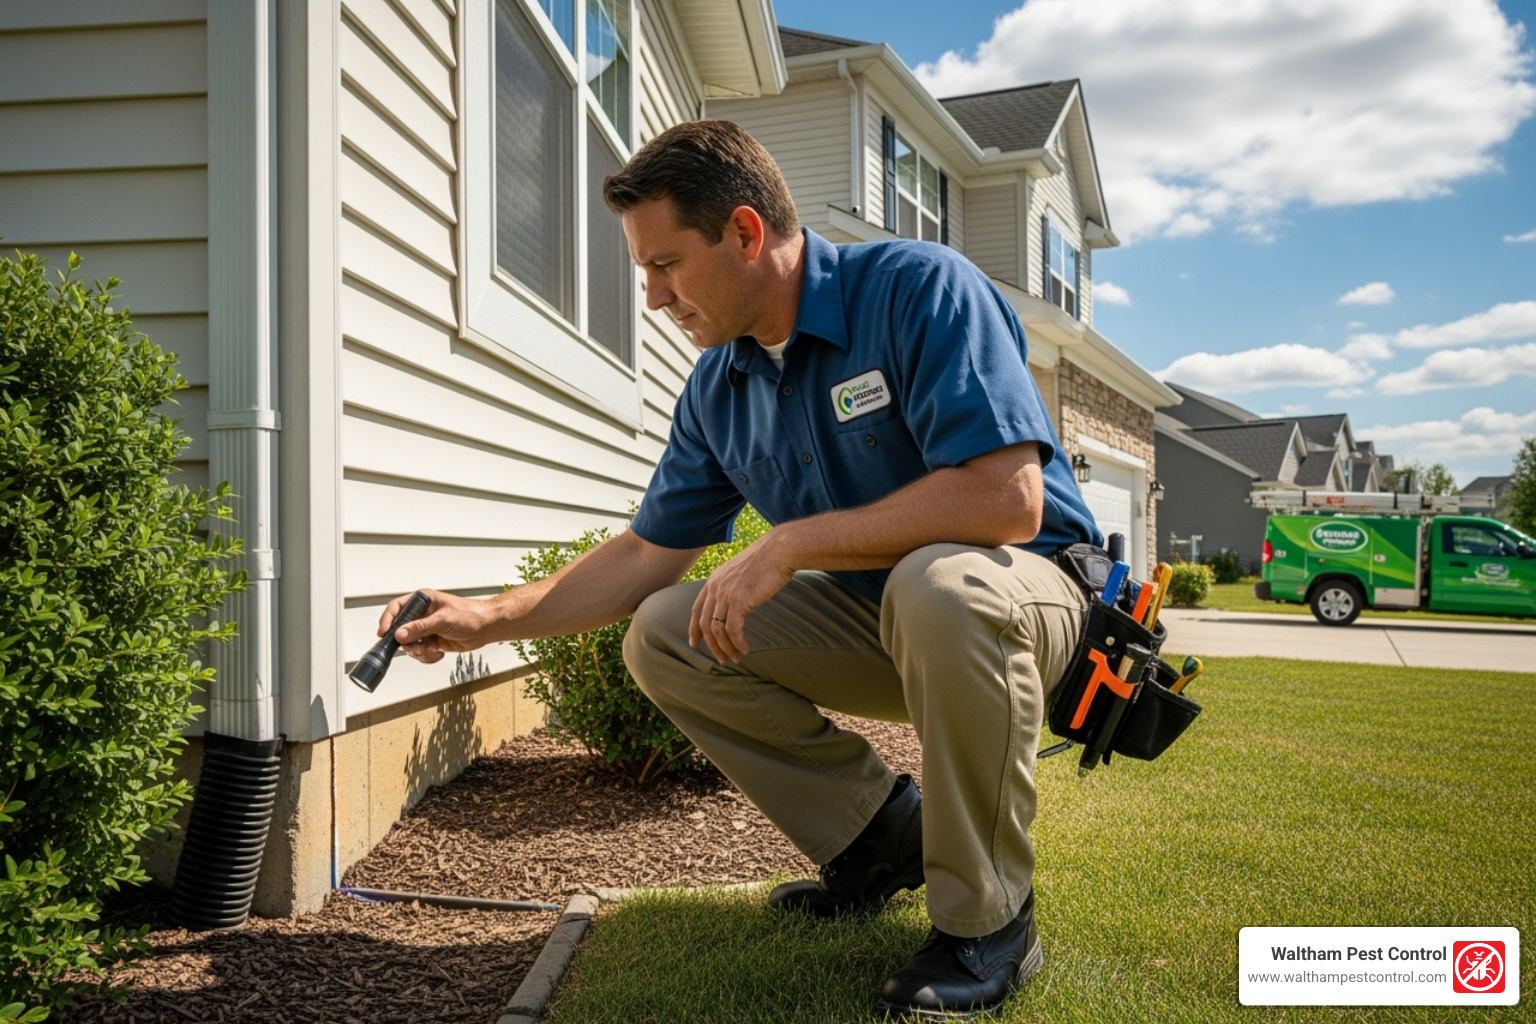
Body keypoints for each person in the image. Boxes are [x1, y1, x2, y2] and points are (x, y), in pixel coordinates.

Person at [377, 119, 1102, 1019]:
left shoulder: (918, 290)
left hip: (1029, 600)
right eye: (646, 272)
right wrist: (488, 617)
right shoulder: (719, 386)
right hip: (892, 620)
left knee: (940, 584)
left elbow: (1007, 502)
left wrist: (791, 543)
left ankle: (988, 922)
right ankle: (880, 838)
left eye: (666, 265)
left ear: (747, 233)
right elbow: (648, 553)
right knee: (665, 632)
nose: (652, 298)